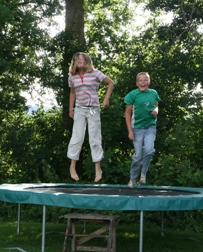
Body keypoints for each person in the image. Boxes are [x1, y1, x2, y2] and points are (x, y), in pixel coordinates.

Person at [67, 52, 114, 182]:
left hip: (93, 109)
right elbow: (72, 92)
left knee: (94, 138)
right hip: (80, 109)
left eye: (83, 59)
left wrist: (106, 99)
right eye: (77, 59)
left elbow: (110, 83)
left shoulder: (95, 73)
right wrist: (71, 109)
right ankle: (72, 167)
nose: (80, 61)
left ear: (87, 61)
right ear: (74, 62)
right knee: (77, 137)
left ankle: (97, 168)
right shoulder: (72, 76)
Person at [124, 72, 161, 188]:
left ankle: (143, 173)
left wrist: (156, 110)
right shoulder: (132, 95)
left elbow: (156, 105)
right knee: (138, 156)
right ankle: (133, 178)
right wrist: (130, 131)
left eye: (145, 80)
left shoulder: (154, 93)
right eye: (140, 80)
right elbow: (127, 113)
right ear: (137, 83)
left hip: (150, 126)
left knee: (149, 150)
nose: (143, 82)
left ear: (149, 82)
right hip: (137, 128)